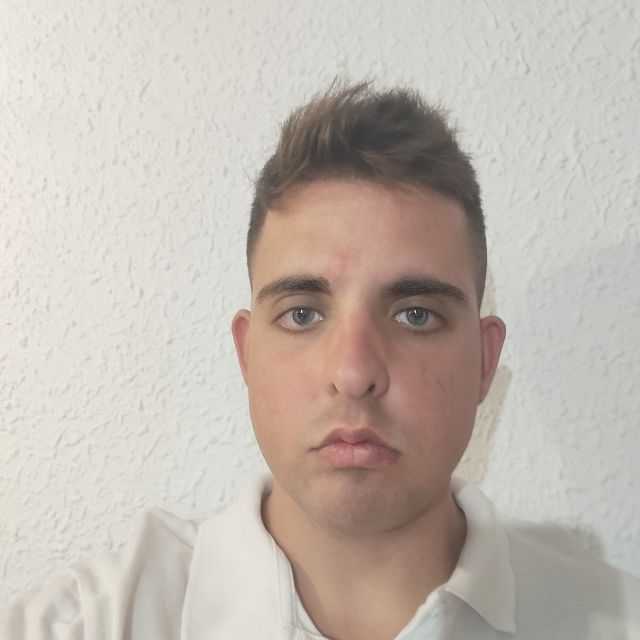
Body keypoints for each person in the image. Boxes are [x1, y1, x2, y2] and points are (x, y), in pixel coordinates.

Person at [2, 80, 639, 640]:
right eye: (303, 314)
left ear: (484, 361)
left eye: (415, 315)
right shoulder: (86, 625)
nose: (354, 374)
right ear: (247, 354)